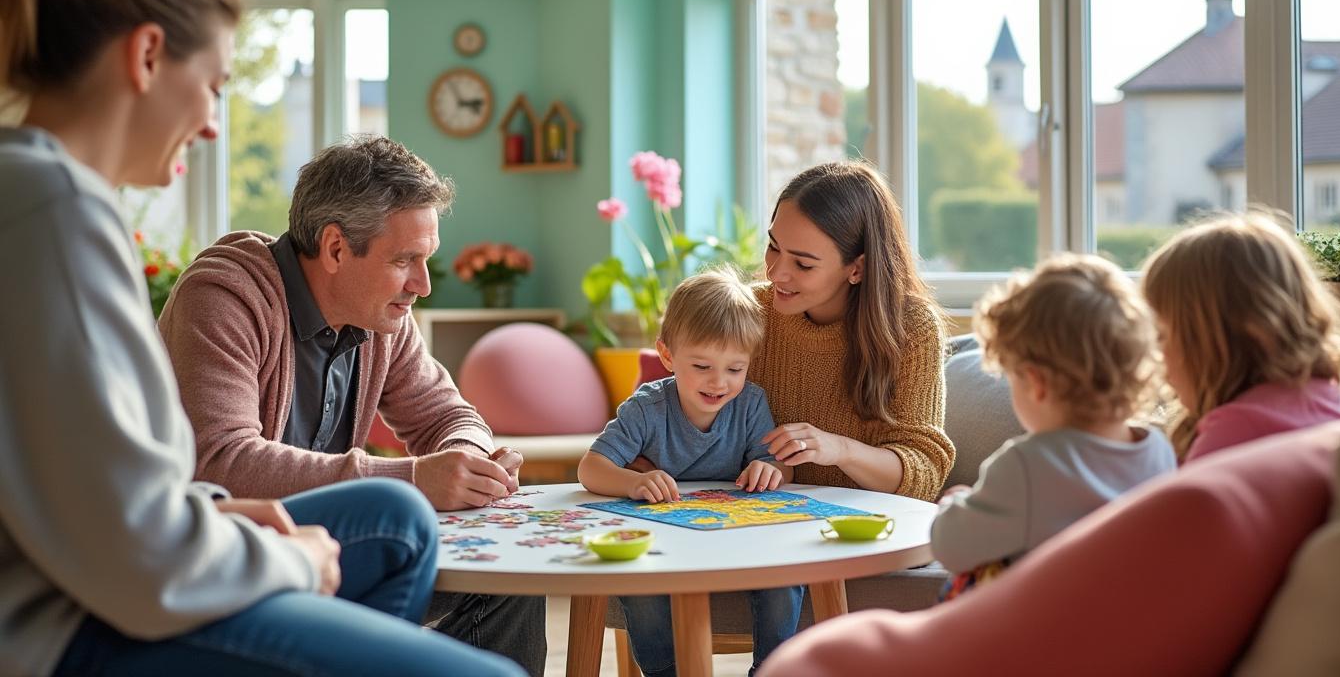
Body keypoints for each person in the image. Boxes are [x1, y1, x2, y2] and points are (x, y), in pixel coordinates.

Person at [0, 0, 522, 675]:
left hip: (107, 583)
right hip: (70, 627)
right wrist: (294, 561)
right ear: (147, 56)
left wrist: (462, 460)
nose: (214, 125)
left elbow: (99, 482)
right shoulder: (58, 213)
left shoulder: (47, 195)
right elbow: (144, 542)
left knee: (399, 517)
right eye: (213, 86)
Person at [156, 135, 545, 674]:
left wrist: (467, 461)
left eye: (425, 259)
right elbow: (220, 460)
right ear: (336, 248)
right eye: (405, 260)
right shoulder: (224, 296)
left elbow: (450, 416)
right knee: (398, 518)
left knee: (512, 576)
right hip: (228, 564)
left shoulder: (382, 316)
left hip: (328, 554)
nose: (424, 285)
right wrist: (413, 479)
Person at [578, 269, 804, 677]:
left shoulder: (751, 403)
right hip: (665, 540)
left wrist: (768, 468)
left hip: (736, 536)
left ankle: (773, 670)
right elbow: (591, 468)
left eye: (735, 369)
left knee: (786, 575)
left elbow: (778, 466)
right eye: (702, 365)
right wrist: (632, 482)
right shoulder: (646, 408)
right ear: (667, 356)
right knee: (640, 585)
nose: (719, 382)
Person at [930, 254, 1177, 597]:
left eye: (1011, 377)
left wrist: (953, 506)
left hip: (1038, 635)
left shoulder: (1027, 465)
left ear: (1036, 383)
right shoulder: (1159, 450)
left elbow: (950, 547)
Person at [749, 162, 955, 500]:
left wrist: (839, 450)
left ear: (856, 268)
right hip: (758, 519)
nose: (776, 273)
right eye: (773, 247)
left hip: (868, 529)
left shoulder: (912, 329)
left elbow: (925, 472)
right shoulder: (750, 311)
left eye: (803, 263)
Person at [1142, 211, 1340, 463]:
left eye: (1161, 335)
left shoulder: (1234, 433)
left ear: (1217, 337)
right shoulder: (1332, 402)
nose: (1156, 354)